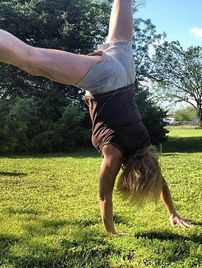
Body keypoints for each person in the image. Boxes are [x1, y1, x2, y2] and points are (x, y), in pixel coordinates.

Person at [0, 0, 191, 235]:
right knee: (30, 58)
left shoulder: (144, 146)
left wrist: (173, 212)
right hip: (106, 79)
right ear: (132, 176)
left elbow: (158, 180)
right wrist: (111, 231)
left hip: (126, 72)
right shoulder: (115, 154)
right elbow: (104, 196)